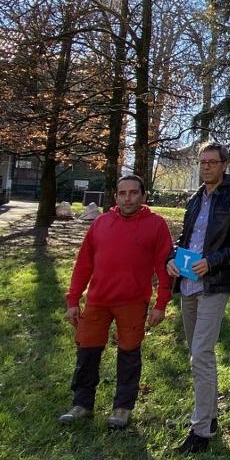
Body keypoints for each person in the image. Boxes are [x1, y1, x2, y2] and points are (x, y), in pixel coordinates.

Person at [167, 141, 230, 453]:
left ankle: (201, 431)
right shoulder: (195, 199)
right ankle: (210, 417)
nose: (206, 167)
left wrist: (214, 261)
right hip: (188, 284)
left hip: (215, 284)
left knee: (201, 354)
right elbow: (186, 238)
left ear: (224, 165)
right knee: (198, 354)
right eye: (202, 162)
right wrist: (171, 258)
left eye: (212, 162)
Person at [58, 174, 173, 429]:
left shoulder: (156, 225)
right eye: (122, 193)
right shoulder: (101, 223)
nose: (128, 198)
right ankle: (81, 404)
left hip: (133, 302)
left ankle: (122, 408)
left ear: (144, 196)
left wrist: (161, 304)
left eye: (133, 193)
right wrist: (73, 299)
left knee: (129, 356)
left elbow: (164, 268)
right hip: (97, 301)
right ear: (115, 197)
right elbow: (83, 264)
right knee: (87, 353)